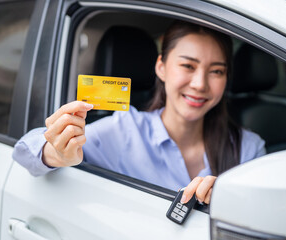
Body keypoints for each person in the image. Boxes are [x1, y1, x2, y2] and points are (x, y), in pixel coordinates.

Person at [13, 20, 265, 205]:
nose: (200, 83)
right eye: (188, 65)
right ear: (161, 67)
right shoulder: (124, 130)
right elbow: (26, 150)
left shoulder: (247, 148)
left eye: (216, 71)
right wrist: (56, 151)